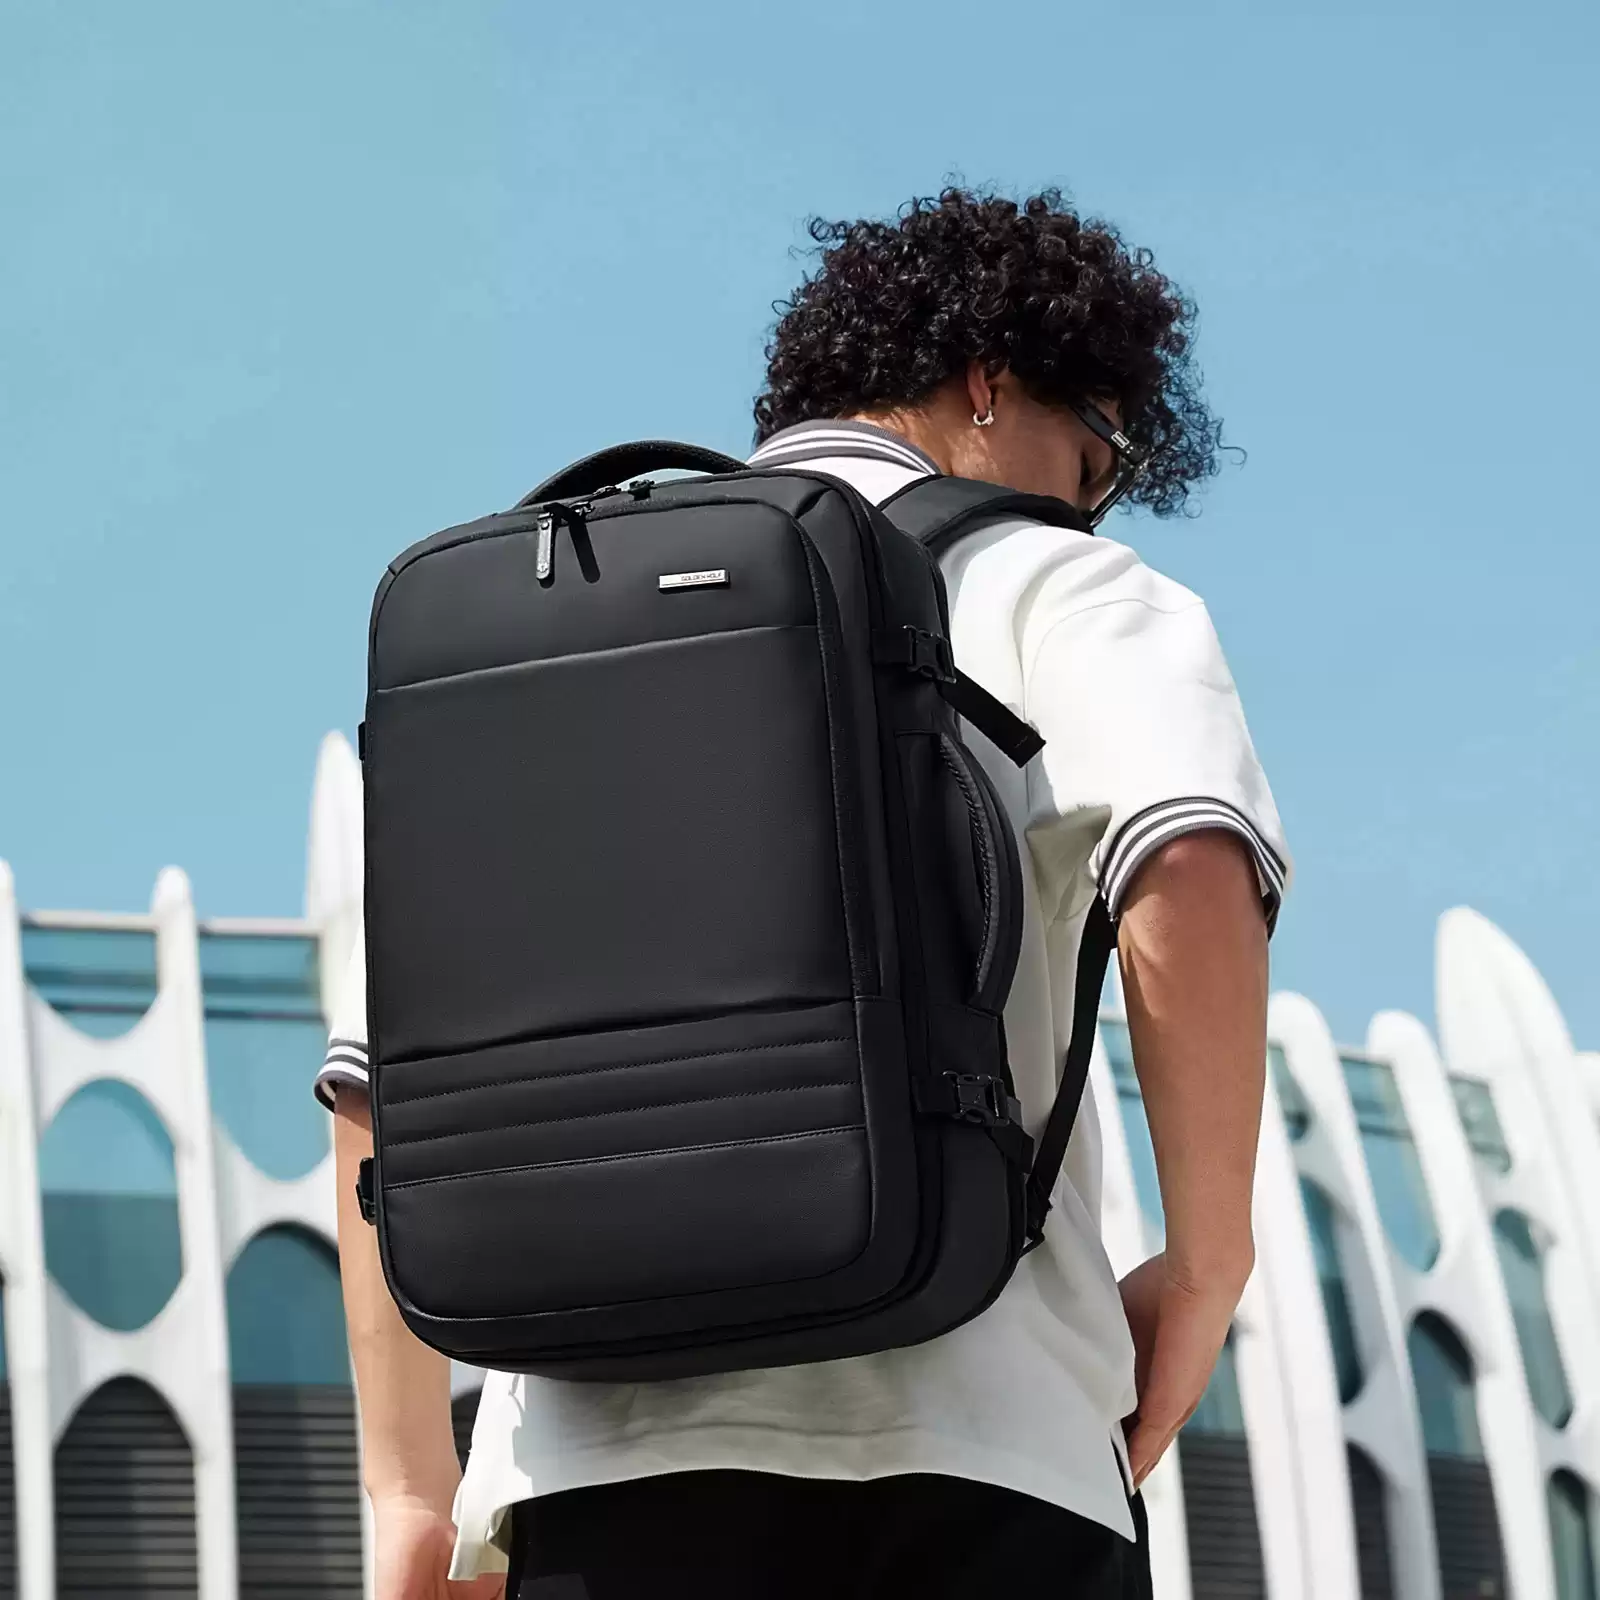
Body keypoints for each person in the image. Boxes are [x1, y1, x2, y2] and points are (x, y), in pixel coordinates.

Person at [316, 186, 1289, 1600]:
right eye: (1094, 460)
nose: (1089, 503)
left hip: (596, 1467)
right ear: (988, 379)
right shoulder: (1054, 579)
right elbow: (1188, 861)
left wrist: (412, 1490)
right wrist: (1205, 1270)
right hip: (981, 1443)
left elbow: (379, 1083)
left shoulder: (540, 625)